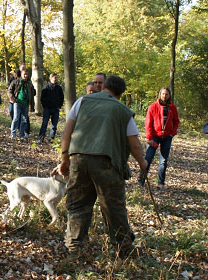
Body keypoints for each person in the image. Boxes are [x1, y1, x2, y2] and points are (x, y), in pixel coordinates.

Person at [52, 75, 147, 258]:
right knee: (113, 207)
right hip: (107, 163)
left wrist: (65, 158)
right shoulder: (122, 110)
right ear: (120, 93)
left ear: (104, 87)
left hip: (78, 160)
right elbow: (134, 143)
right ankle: (124, 250)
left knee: (78, 205)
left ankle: (74, 248)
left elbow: (67, 132)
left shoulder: (82, 101)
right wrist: (142, 163)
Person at [138, 87, 179, 189]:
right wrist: (150, 137)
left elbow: (176, 121)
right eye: (163, 94)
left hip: (167, 137)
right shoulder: (153, 106)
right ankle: (141, 182)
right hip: (154, 136)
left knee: (163, 161)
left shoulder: (172, 107)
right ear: (160, 94)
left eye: (167, 94)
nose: (164, 96)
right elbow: (148, 123)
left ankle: (161, 183)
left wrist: (172, 133)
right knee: (148, 158)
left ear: (169, 95)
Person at [8, 68, 35, 139]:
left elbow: (32, 94)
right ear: (21, 74)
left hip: (25, 104)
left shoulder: (29, 84)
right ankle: (13, 133)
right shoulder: (16, 82)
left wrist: (32, 106)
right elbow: (9, 91)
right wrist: (12, 98)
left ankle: (21, 134)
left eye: (26, 74)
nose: (25, 76)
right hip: (17, 102)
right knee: (16, 118)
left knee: (24, 120)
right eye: (24, 74)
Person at [38, 73, 64, 143]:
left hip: (56, 109)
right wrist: (45, 106)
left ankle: (51, 139)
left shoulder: (59, 88)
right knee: (44, 124)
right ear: (51, 78)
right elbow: (42, 98)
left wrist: (59, 105)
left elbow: (62, 97)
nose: (55, 79)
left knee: (54, 126)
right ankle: (40, 138)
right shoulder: (46, 87)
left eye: (56, 78)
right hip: (47, 108)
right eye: (54, 77)